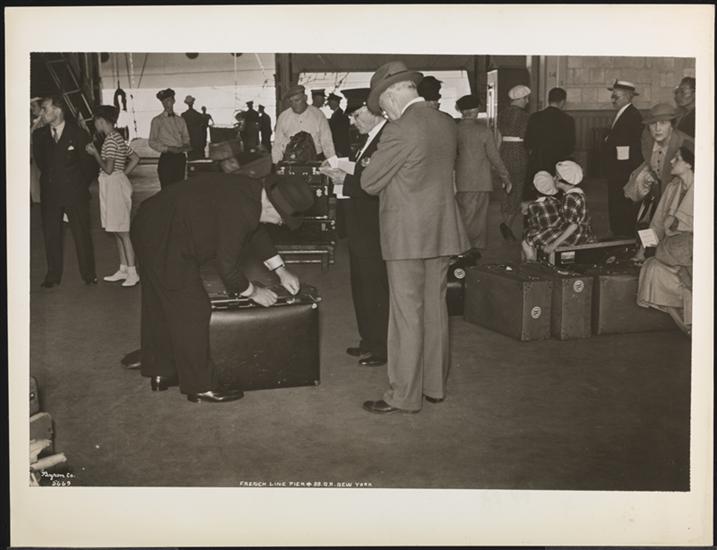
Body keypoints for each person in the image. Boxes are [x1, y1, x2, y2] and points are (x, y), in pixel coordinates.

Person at [130, 149, 313, 403]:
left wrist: (281, 271)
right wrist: (254, 292)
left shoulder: (251, 191)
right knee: (193, 309)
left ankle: (160, 370)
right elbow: (227, 267)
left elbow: (256, 232)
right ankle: (200, 386)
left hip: (150, 223)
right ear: (272, 206)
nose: (279, 224)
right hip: (166, 239)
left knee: (160, 303)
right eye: (281, 219)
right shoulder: (241, 210)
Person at [360, 61, 470, 414]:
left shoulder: (399, 129)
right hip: (442, 229)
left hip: (406, 234)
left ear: (392, 95)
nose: (385, 112)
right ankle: (434, 386)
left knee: (407, 314)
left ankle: (404, 395)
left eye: (383, 106)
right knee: (436, 309)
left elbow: (369, 182)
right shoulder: (445, 122)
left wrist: (375, 164)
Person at [325, 88, 389, 367]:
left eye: (356, 115)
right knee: (362, 285)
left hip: (373, 224)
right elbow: (364, 171)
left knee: (375, 287)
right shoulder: (369, 138)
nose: (352, 121)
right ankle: (369, 340)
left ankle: (382, 347)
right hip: (360, 224)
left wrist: (345, 179)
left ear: (373, 111)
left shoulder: (387, 138)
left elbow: (377, 182)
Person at [32, 96, 98, 288]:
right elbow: (42, 163)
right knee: (51, 234)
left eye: (45, 109)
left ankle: (88, 274)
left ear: (57, 110)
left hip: (74, 192)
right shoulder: (39, 135)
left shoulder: (78, 134)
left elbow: (89, 167)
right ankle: (52, 275)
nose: (41, 113)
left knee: (81, 234)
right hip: (50, 193)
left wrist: (77, 186)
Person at [637, 144, 694, 336]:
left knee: (689, 276)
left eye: (677, 158)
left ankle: (696, 326)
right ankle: (686, 327)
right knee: (651, 268)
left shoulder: (705, 188)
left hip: (695, 256)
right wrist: (642, 251)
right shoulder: (672, 188)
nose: (671, 161)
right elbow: (657, 224)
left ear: (689, 164)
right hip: (671, 253)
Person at [84, 105, 141, 287]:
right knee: (116, 228)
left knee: (123, 231)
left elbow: (108, 169)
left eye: (95, 121)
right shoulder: (117, 137)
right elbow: (135, 158)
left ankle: (132, 272)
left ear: (101, 121)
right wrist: (123, 174)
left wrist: (95, 154)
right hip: (116, 182)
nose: (95, 125)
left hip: (113, 184)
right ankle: (123, 269)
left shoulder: (109, 141)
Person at [454, 94, 512, 257]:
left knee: (463, 215)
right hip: (479, 180)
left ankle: (464, 248)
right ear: (475, 111)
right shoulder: (483, 131)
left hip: (458, 180)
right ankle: (467, 251)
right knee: (476, 219)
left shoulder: (454, 130)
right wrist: (505, 177)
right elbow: (494, 157)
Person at [623, 103, 693, 229]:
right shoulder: (647, 140)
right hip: (656, 196)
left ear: (672, 125)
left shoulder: (685, 144)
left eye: (663, 123)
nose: (657, 128)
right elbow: (648, 160)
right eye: (652, 124)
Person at [602, 79, 644, 238]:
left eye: (615, 96)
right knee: (616, 202)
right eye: (612, 96)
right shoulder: (624, 113)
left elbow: (628, 146)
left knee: (621, 203)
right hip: (618, 168)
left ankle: (622, 235)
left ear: (627, 97)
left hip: (622, 170)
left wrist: (620, 172)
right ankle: (618, 233)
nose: (612, 99)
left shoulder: (632, 115)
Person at [524, 87, 576, 201]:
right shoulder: (568, 120)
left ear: (548, 100)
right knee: (557, 197)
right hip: (558, 166)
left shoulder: (535, 117)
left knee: (537, 194)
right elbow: (570, 147)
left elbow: (527, 143)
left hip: (538, 162)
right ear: (563, 102)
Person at [540, 160, 596, 257]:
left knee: (531, 239)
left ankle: (532, 263)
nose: (554, 178)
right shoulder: (578, 194)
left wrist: (553, 245)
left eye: (556, 176)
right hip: (583, 234)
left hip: (575, 236)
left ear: (564, 181)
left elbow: (573, 226)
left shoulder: (569, 198)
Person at [498, 84, 531, 241]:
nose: (527, 101)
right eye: (526, 98)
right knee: (518, 188)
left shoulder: (502, 114)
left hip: (504, 151)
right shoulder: (525, 116)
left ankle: (505, 218)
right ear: (521, 99)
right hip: (519, 151)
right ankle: (507, 223)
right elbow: (527, 137)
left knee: (506, 187)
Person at [271, 85, 336, 164]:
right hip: (291, 161)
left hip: (314, 160)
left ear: (305, 98)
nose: (294, 104)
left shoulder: (318, 115)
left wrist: (333, 163)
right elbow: (277, 144)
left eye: (297, 100)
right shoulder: (283, 117)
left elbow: (327, 142)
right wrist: (276, 164)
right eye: (291, 101)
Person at [148, 88, 191, 188]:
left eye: (169, 100)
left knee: (179, 188)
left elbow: (186, 137)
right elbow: (152, 142)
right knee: (166, 189)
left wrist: (186, 146)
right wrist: (168, 148)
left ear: (174, 100)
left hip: (180, 158)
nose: (166, 103)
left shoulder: (181, 120)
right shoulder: (157, 121)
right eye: (163, 101)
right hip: (167, 158)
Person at [521, 171, 564, 261]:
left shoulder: (533, 206)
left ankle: (531, 261)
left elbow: (533, 226)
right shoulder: (558, 202)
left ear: (534, 189)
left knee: (525, 242)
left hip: (546, 236)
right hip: (558, 233)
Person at [181, 95, 208, 160]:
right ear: (193, 103)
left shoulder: (184, 115)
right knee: (199, 158)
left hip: (190, 139)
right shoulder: (198, 115)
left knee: (191, 157)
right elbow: (204, 127)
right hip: (198, 140)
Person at [30, 97, 46, 204]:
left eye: (34, 106)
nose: (32, 108)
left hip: (39, 156)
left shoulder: (42, 121)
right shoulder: (37, 121)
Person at [327, 92, 350, 157]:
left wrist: (340, 150)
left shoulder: (341, 116)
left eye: (330, 102)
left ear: (335, 102)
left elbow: (342, 136)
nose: (328, 104)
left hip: (340, 149)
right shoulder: (337, 114)